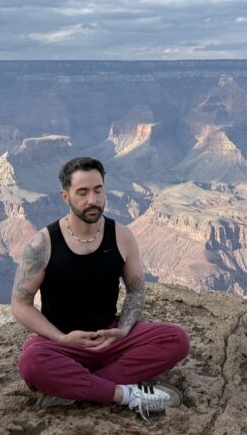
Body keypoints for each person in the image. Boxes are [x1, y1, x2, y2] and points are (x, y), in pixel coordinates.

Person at [12, 156, 191, 418]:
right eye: (82, 192)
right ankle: (127, 394)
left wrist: (123, 329)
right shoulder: (42, 244)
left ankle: (73, 389)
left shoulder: (121, 236)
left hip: (110, 338)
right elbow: (20, 304)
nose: (92, 200)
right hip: (65, 343)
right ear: (66, 196)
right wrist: (61, 338)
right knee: (31, 362)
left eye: (98, 190)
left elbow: (136, 290)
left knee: (177, 339)